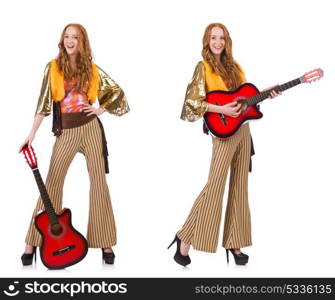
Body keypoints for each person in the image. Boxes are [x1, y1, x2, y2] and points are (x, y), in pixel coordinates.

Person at [168, 23, 280, 266]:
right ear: (207, 41)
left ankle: (234, 242)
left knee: (240, 187)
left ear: (227, 41)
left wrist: (265, 93)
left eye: (222, 38)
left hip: (243, 131)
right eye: (213, 38)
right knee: (215, 186)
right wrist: (220, 108)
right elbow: (191, 102)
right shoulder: (203, 67)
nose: (217, 42)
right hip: (223, 133)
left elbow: (244, 100)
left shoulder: (235, 66)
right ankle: (184, 237)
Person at [19, 23, 129, 266]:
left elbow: (117, 94)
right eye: (67, 37)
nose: (70, 41)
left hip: (90, 128)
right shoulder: (53, 67)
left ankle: (105, 243)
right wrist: (32, 134)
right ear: (62, 40)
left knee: (99, 183)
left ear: (82, 42)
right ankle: (32, 242)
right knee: (52, 184)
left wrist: (100, 109)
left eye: (75, 37)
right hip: (66, 131)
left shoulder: (92, 68)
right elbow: (43, 104)